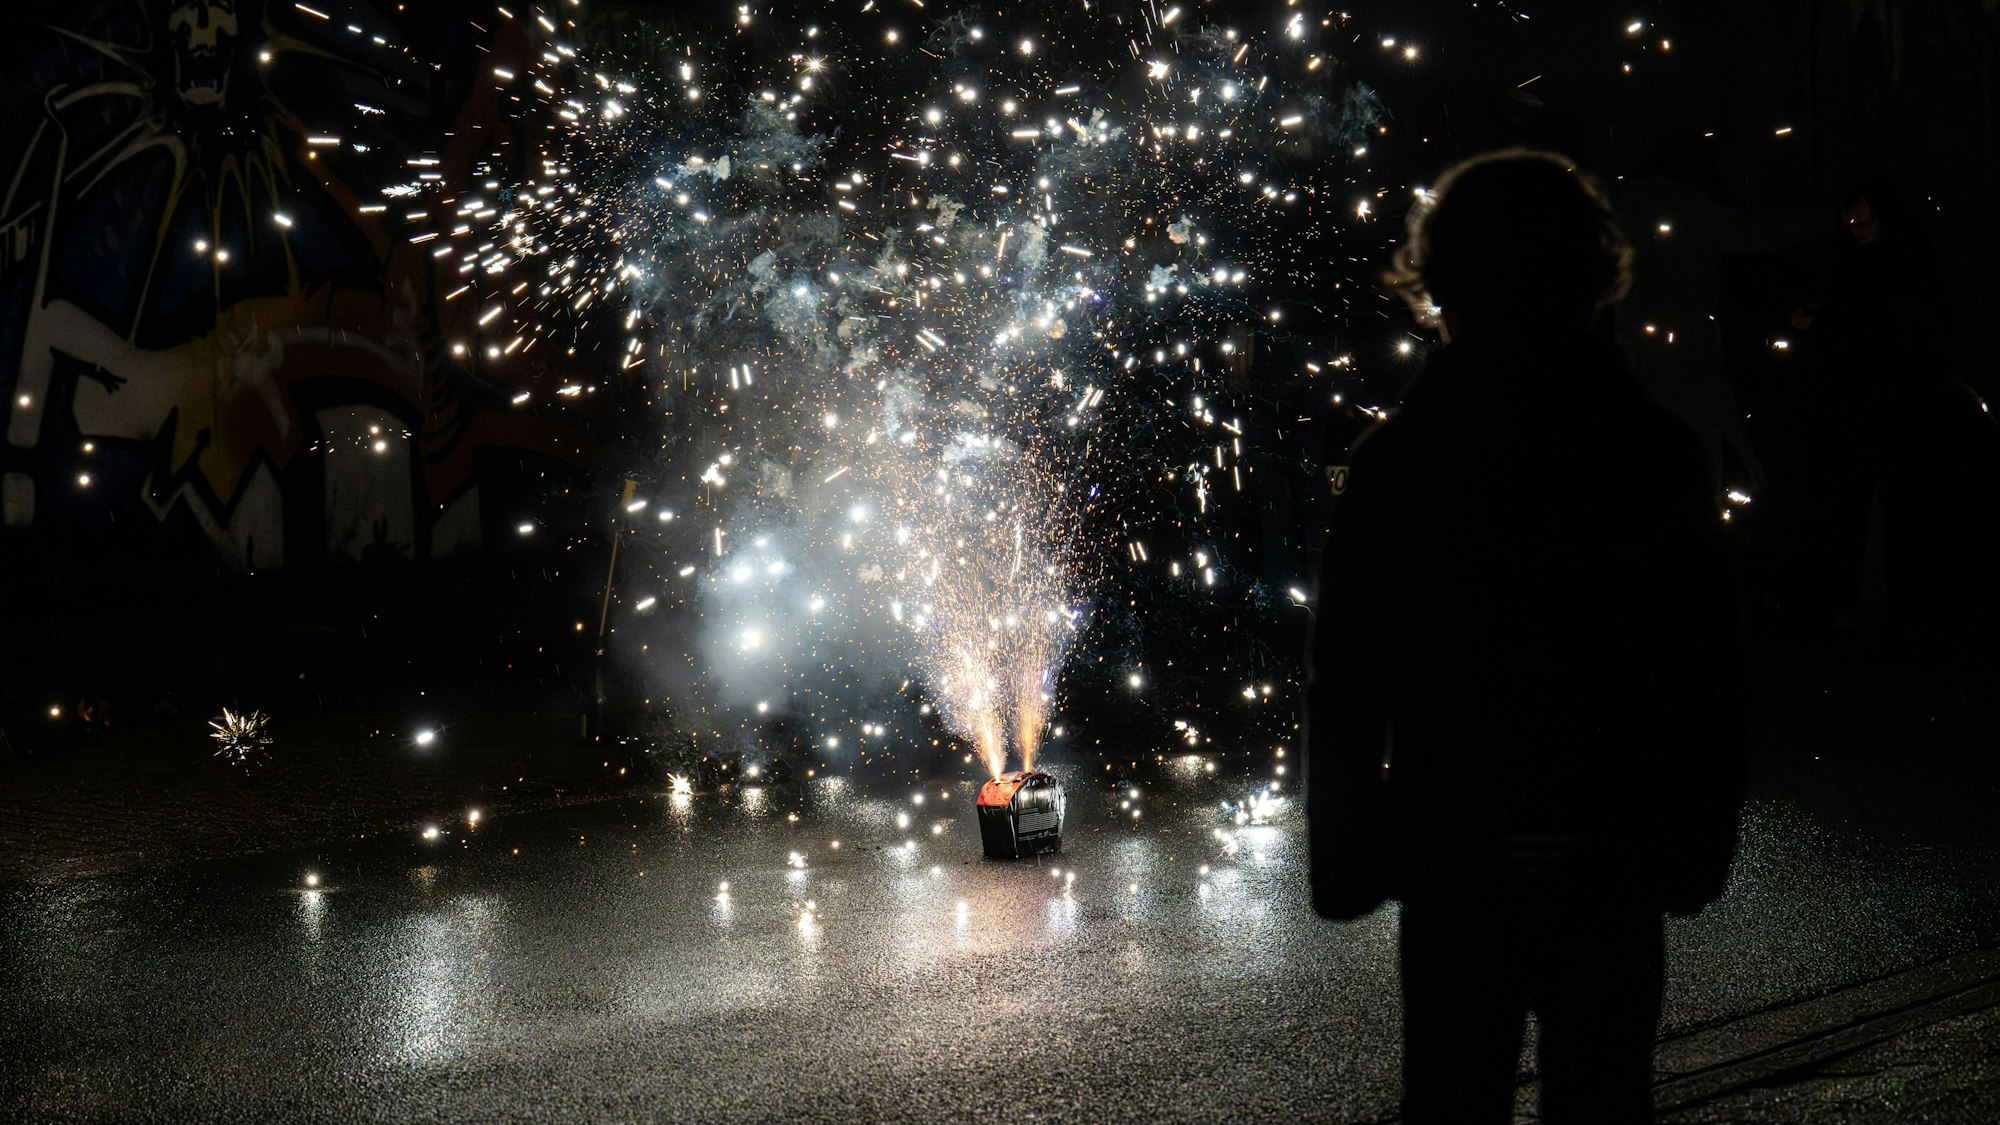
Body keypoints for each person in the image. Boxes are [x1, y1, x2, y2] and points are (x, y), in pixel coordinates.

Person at [1306, 149, 1747, 1124]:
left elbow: (1346, 678)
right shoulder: (1653, 454)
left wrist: (1348, 851)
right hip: (1610, 839)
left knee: (1452, 1095)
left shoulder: (1400, 462)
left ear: (1441, 279)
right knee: (1601, 1094)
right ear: (1589, 273)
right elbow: (1706, 670)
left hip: (1453, 844)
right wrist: (1690, 842)